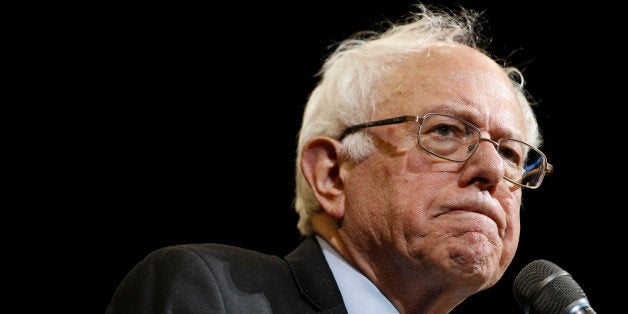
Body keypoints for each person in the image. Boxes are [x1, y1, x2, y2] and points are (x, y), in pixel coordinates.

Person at [106, 2, 553, 313]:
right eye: (446, 132)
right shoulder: (212, 293)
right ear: (331, 175)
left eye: (513, 154)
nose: (493, 170)